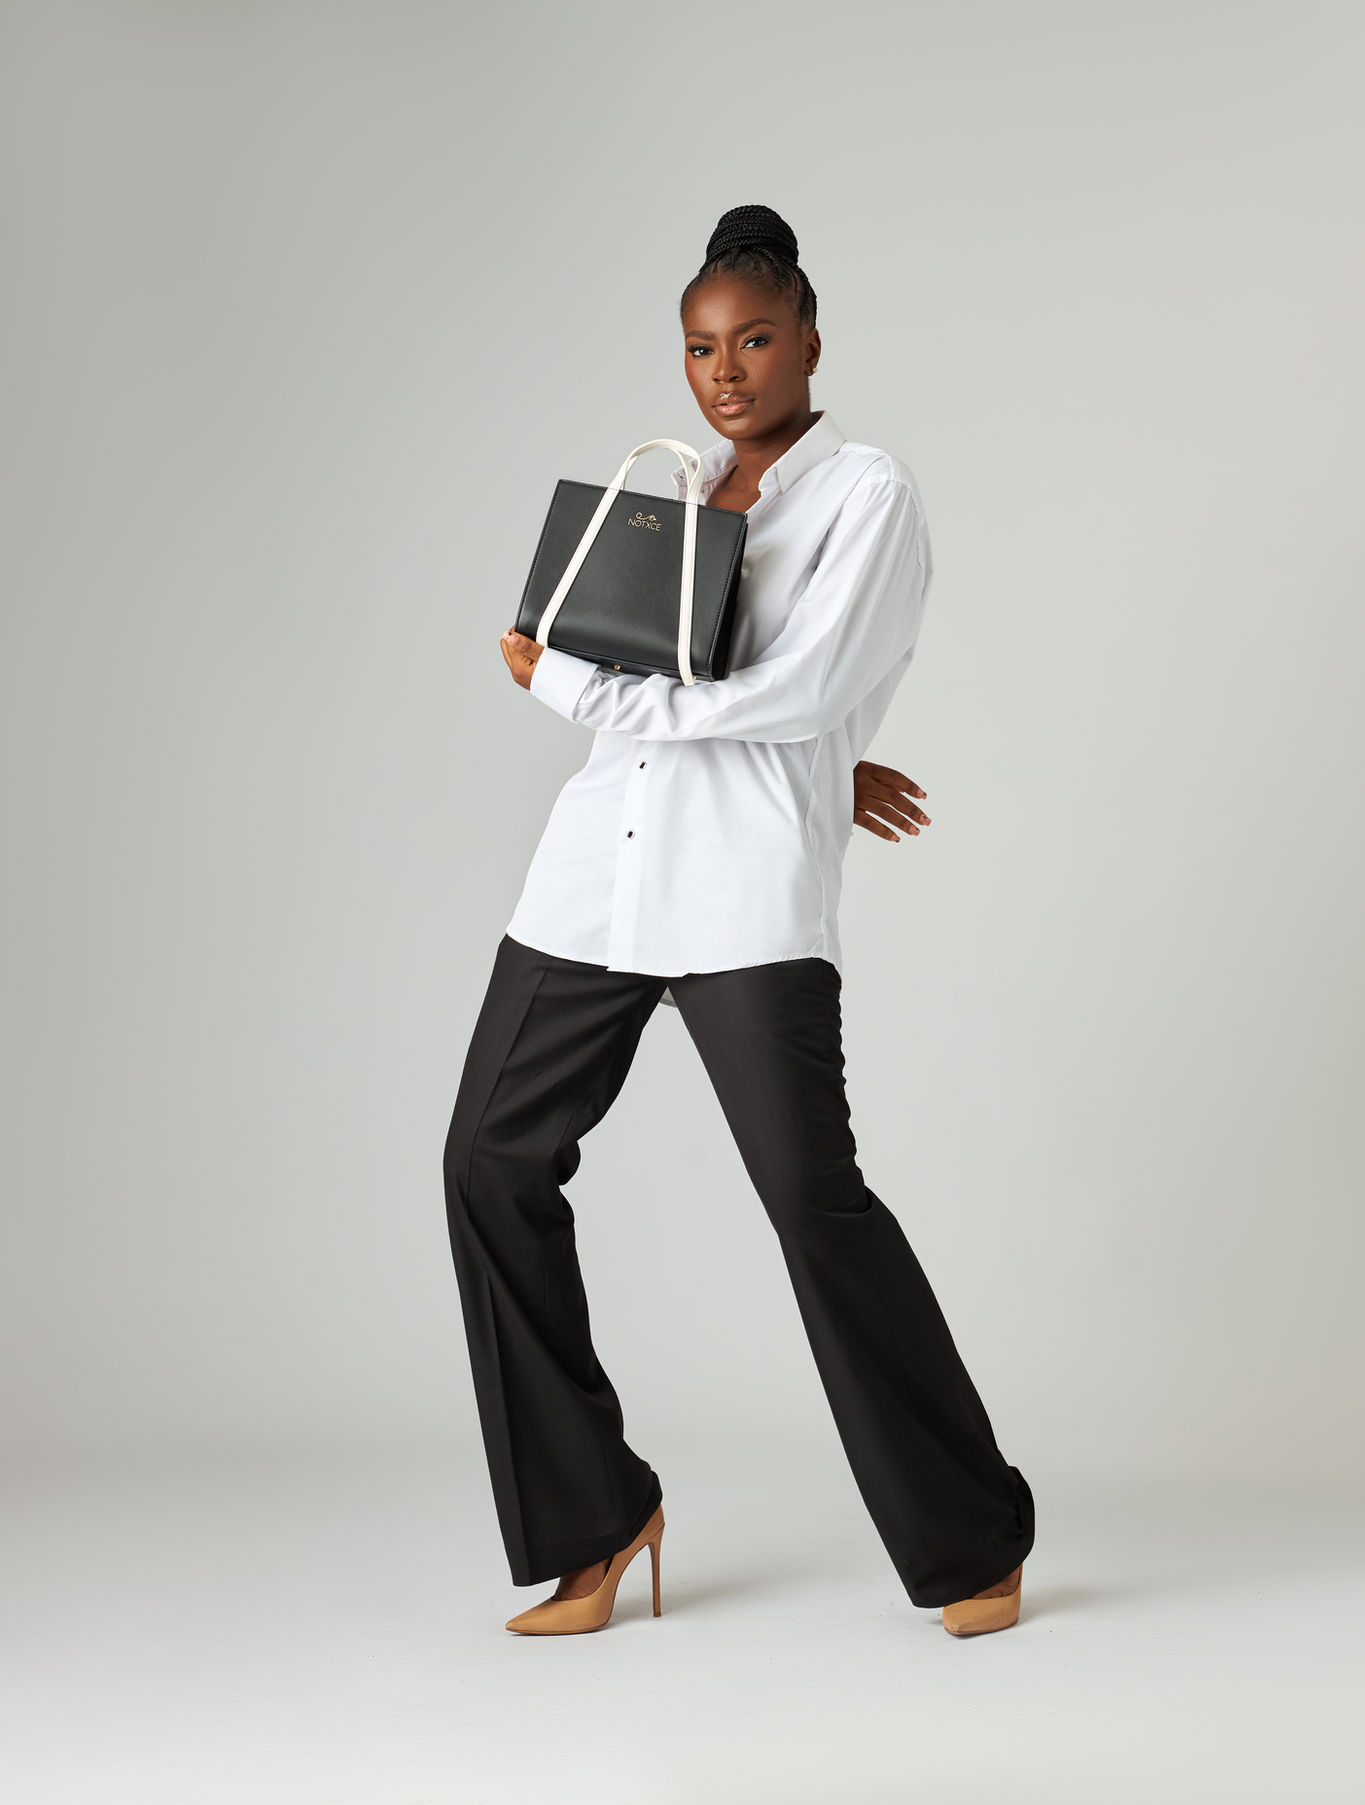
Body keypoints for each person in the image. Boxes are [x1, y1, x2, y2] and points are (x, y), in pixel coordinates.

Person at [443, 205, 1034, 1639]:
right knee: (486, 1162)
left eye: (754, 339)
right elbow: (725, 690)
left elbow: (798, 690)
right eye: (702, 347)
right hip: (592, 874)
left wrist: (578, 691)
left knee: (809, 1199)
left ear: (809, 340)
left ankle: (973, 1536)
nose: (725, 370)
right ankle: (595, 1518)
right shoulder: (663, 494)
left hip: (739, 896)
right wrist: (805, 756)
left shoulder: (865, 495)